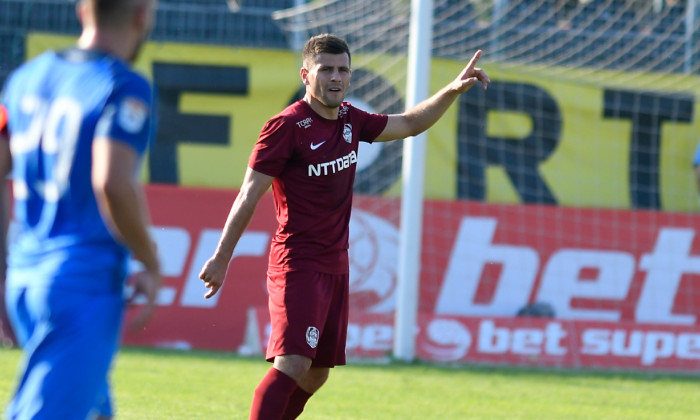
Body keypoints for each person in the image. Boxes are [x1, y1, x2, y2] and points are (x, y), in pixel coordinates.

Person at [198, 33, 489, 420]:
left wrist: (452, 89)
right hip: (297, 264)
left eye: (343, 69)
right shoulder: (286, 126)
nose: (336, 77)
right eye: (326, 70)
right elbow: (249, 194)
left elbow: (411, 123)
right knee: (294, 362)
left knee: (317, 373)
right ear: (306, 74)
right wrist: (221, 258)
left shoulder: (352, 119)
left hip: (336, 266)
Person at [0, 0, 162, 418]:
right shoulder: (122, 84)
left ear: (81, 11)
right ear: (142, 15)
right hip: (79, 283)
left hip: (25, 275)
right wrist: (149, 259)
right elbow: (112, 181)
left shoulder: (24, 79)